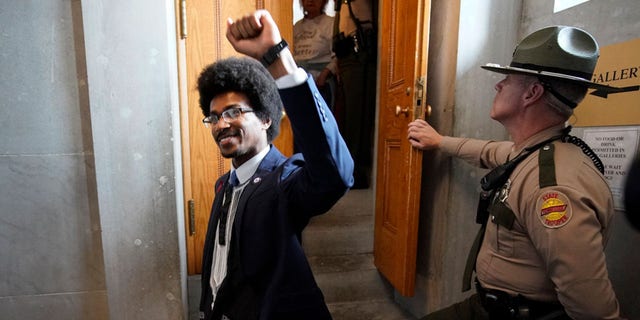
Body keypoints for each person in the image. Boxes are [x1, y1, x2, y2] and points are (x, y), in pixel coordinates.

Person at [409, 26, 624, 319]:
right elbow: (488, 151)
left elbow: (593, 307)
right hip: (490, 306)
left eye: (507, 79)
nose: (498, 86)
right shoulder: (536, 152)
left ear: (532, 93)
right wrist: (439, 141)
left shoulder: (553, 188)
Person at [197, 10, 354, 320]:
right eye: (214, 118)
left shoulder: (284, 180)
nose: (220, 125)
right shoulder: (223, 185)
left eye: (233, 112)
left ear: (266, 118)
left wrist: (277, 59)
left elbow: (334, 175)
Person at [332, 0, 377, 188]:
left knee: (357, 118)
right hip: (348, 58)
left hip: (359, 57)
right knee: (349, 118)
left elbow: (367, 25)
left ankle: (355, 172)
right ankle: (350, 170)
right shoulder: (342, 4)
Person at [293, 0, 338, 110]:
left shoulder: (330, 23)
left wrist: (324, 74)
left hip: (320, 82)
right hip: (298, 81)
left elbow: (337, 56)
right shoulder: (296, 26)